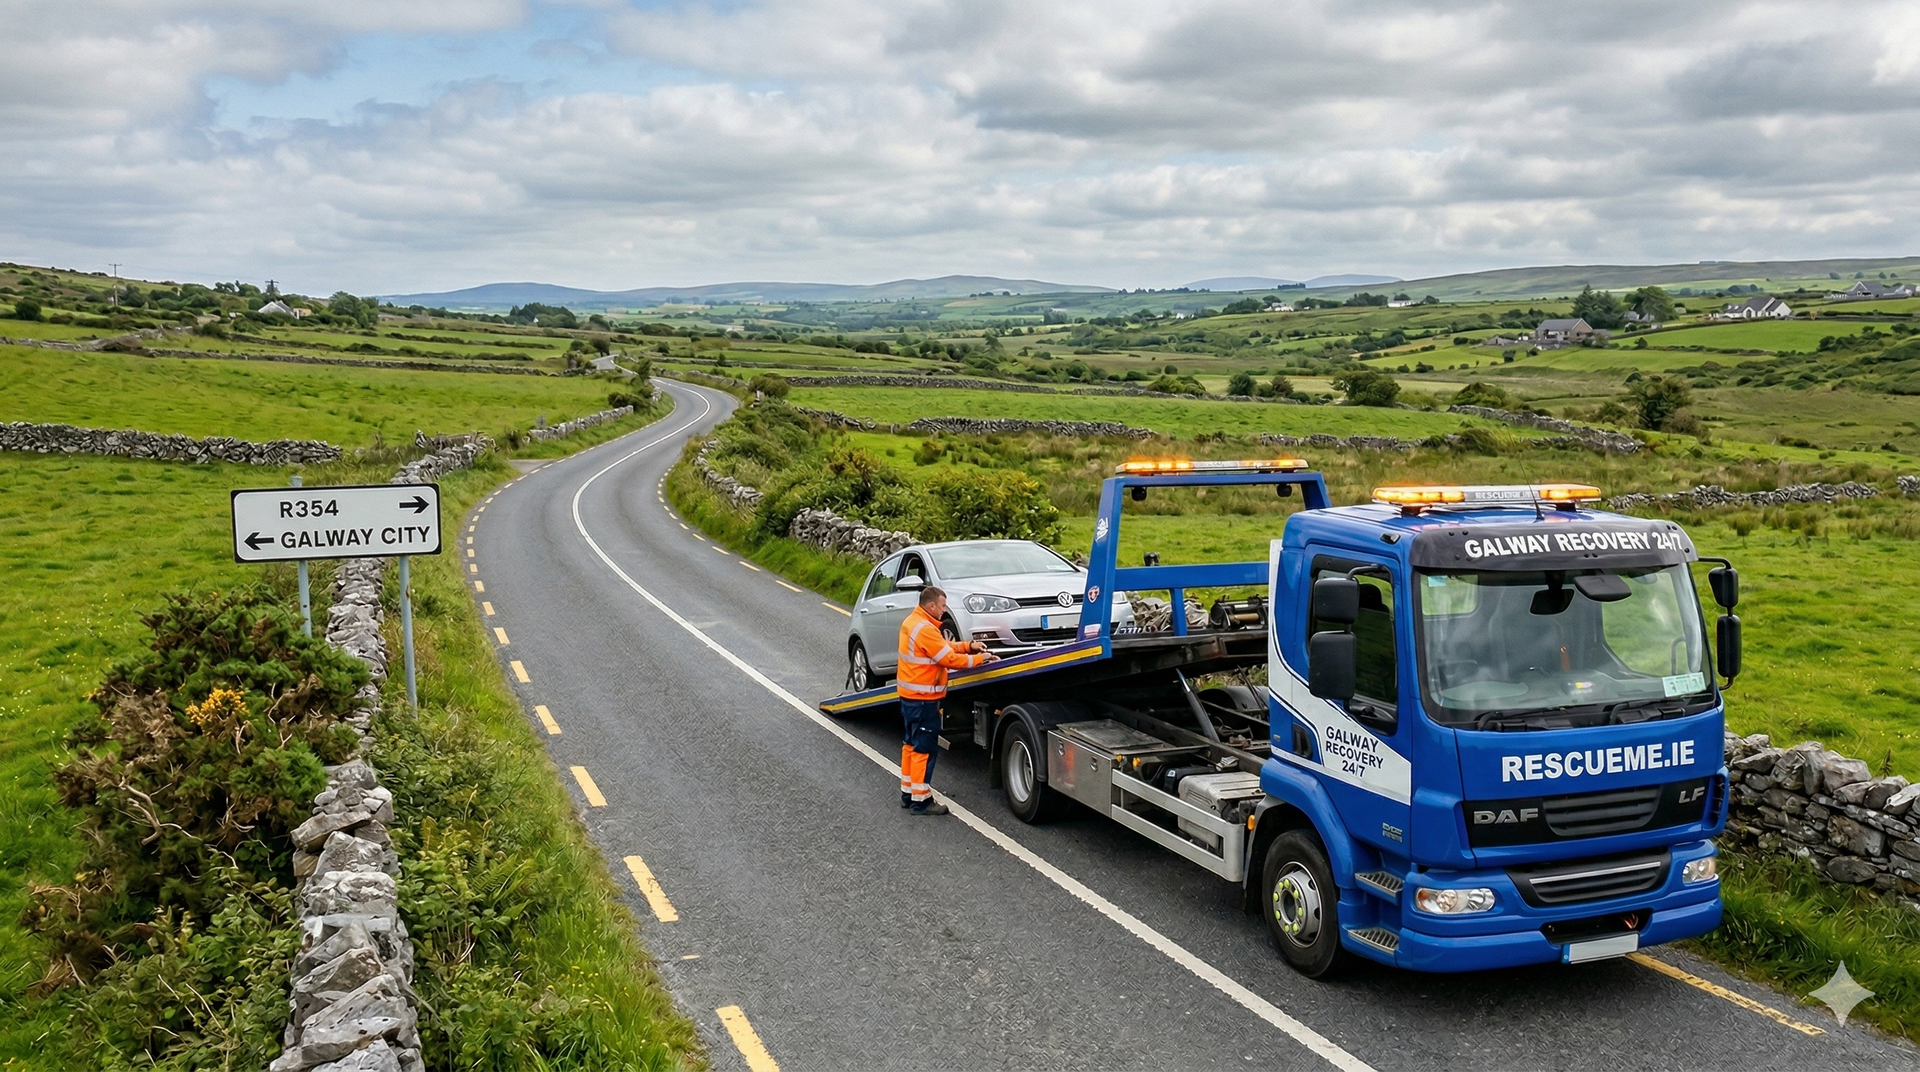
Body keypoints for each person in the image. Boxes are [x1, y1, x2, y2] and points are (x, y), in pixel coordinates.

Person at [896, 585, 998, 815]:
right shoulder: (925, 629)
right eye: (942, 606)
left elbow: (941, 647)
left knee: (911, 745)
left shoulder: (915, 622)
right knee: (924, 748)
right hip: (924, 700)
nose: (944, 610)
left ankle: (908, 793)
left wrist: (968, 646)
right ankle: (920, 801)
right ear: (931, 605)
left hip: (911, 699)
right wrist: (980, 659)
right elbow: (948, 658)